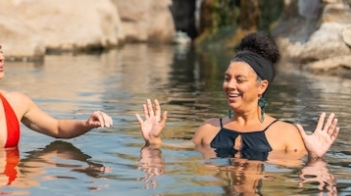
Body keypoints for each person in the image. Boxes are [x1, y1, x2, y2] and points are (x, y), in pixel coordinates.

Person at [136, 32, 339, 161]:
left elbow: (306, 184)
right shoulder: (208, 129)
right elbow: (176, 152)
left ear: (262, 87)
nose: (230, 86)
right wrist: (153, 141)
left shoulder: (287, 134)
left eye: (239, 80)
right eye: (227, 78)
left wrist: (315, 158)